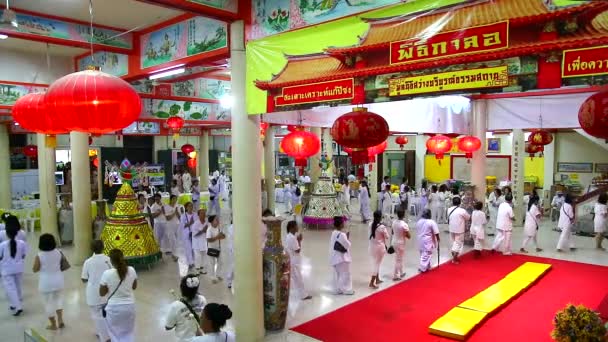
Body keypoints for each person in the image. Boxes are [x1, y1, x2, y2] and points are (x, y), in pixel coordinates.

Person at [100, 249, 138, 342]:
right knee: (128, 333)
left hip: (113, 308)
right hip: (129, 307)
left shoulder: (107, 274)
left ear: (111, 261)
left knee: (115, 335)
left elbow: (101, 293)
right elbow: (134, 287)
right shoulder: (131, 270)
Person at [33, 234, 66, 330]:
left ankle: (53, 324)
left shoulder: (39, 255)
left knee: (48, 303)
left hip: (45, 282)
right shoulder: (59, 252)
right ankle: (60, 319)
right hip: (58, 280)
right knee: (58, 299)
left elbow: (35, 269)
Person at [81, 240, 112, 342]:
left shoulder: (88, 262)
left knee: (96, 315)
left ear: (91, 249)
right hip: (107, 291)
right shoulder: (108, 259)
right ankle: (103, 333)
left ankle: (105, 337)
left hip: (93, 292)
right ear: (103, 247)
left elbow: (84, 278)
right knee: (106, 313)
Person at [165, 275, 207, 342]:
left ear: (181, 288)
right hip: (199, 337)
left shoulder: (176, 306)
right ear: (197, 288)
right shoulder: (203, 299)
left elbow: (168, 327)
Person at [0, 223, 27, 316]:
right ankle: (14, 303)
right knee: (18, 286)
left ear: (7, 234)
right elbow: (24, 255)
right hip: (18, 268)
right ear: (16, 233)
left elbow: (0, 256)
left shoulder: (3, 244)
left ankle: (18, 307)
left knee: (10, 289)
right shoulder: (22, 243)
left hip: (7, 270)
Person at [285, 221, 312, 300]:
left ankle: (300, 293)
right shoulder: (292, 238)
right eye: (296, 226)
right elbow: (297, 250)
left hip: (291, 259)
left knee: (296, 277)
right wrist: (299, 241)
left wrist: (297, 240)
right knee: (298, 278)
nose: (297, 227)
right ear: (292, 228)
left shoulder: (289, 236)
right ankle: (303, 295)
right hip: (294, 261)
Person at [329, 216, 354, 295]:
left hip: (335, 257)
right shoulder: (342, 235)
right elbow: (347, 245)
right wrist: (347, 237)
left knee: (339, 274)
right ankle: (346, 289)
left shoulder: (334, 233)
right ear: (341, 224)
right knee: (345, 274)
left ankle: (339, 288)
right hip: (342, 258)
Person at [368, 210, 389, 289]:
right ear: (380, 217)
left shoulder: (370, 224)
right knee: (377, 264)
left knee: (376, 263)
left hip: (371, 247)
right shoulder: (382, 227)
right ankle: (371, 282)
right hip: (380, 248)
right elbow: (387, 237)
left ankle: (377, 279)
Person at [447, 197, 470, 264]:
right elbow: (468, 217)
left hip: (451, 228)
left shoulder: (449, 209)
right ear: (460, 203)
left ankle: (454, 254)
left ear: (452, 202)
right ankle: (454, 259)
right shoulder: (462, 210)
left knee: (453, 242)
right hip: (459, 229)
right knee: (458, 243)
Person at [416, 209, 440, 273]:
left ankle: (427, 266)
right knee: (426, 254)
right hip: (427, 240)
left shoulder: (419, 221)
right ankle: (422, 268)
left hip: (420, 239)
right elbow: (436, 232)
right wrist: (438, 238)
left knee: (423, 253)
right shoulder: (431, 222)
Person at [206, 215, 225, 284]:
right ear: (211, 222)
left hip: (219, 248)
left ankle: (218, 274)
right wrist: (217, 237)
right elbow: (208, 240)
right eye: (216, 220)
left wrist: (221, 236)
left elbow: (223, 236)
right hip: (211, 248)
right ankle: (212, 277)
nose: (218, 221)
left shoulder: (219, 228)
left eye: (218, 219)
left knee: (221, 262)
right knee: (212, 263)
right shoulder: (209, 229)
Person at [391, 209, 410, 281]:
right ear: (404, 215)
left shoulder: (394, 222)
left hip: (394, 241)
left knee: (399, 258)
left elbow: (393, 232)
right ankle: (396, 275)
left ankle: (401, 272)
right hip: (400, 243)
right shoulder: (404, 224)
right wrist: (404, 233)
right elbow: (409, 236)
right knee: (398, 259)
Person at [180, 202, 197, 273]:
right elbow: (182, 226)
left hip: (195, 234)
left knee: (194, 248)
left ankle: (194, 261)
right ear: (186, 208)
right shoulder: (183, 216)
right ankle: (190, 263)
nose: (191, 207)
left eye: (192, 206)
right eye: (189, 206)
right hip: (187, 234)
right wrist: (190, 223)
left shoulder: (195, 214)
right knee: (188, 248)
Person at [192, 209, 209, 275]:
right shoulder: (196, 223)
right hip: (197, 243)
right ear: (198, 215)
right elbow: (194, 234)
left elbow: (208, 232)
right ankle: (197, 270)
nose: (204, 215)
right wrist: (203, 230)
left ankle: (202, 269)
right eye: (202, 213)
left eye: (204, 213)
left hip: (204, 242)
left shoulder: (207, 223)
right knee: (197, 257)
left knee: (204, 256)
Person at [164, 195, 180, 262]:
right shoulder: (166, 207)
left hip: (177, 225)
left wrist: (177, 213)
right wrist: (174, 213)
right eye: (173, 199)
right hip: (170, 226)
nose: (175, 200)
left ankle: (174, 253)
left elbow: (179, 217)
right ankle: (173, 255)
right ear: (170, 199)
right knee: (172, 240)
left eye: (176, 199)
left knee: (176, 241)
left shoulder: (177, 206)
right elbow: (168, 218)